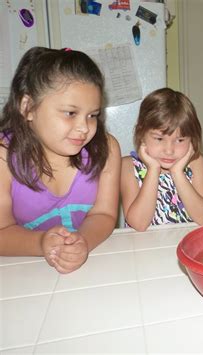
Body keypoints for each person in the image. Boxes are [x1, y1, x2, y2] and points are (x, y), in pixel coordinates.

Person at [0, 47, 121, 274]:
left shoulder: (107, 149)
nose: (84, 127)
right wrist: (41, 243)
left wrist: (82, 242)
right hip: (21, 273)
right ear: (28, 108)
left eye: (92, 115)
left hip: (91, 266)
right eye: (70, 113)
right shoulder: (3, 155)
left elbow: (104, 214)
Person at [120, 88, 203, 231]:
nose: (169, 150)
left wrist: (177, 173)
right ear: (142, 134)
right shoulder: (127, 167)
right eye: (159, 139)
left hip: (186, 245)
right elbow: (139, 224)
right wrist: (153, 170)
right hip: (144, 249)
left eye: (180, 140)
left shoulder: (195, 162)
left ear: (192, 139)